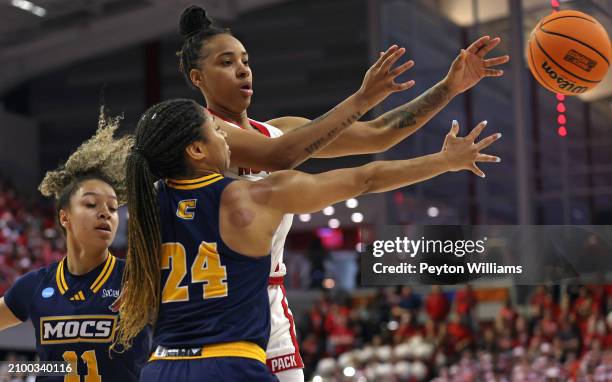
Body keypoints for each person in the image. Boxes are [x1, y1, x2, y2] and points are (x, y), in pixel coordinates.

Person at [175, 5, 509, 380]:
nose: (243, 69)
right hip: (214, 306)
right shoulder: (202, 139)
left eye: (246, 60)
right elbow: (282, 157)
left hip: (269, 303)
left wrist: (450, 87)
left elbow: (379, 134)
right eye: (226, 62)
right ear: (198, 77)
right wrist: (361, 98)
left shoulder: (279, 130)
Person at [113, 98, 501, 381]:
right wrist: (442, 161)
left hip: (160, 368)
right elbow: (364, 179)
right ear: (196, 150)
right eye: (215, 131)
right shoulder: (251, 197)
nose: (225, 137)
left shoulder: (146, 210)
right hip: (230, 365)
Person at [0, 112, 150, 381]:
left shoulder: (137, 277)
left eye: (114, 208)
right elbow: (56, 368)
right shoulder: (34, 286)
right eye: (91, 204)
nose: (105, 213)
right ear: (64, 217)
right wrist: (22, 369)